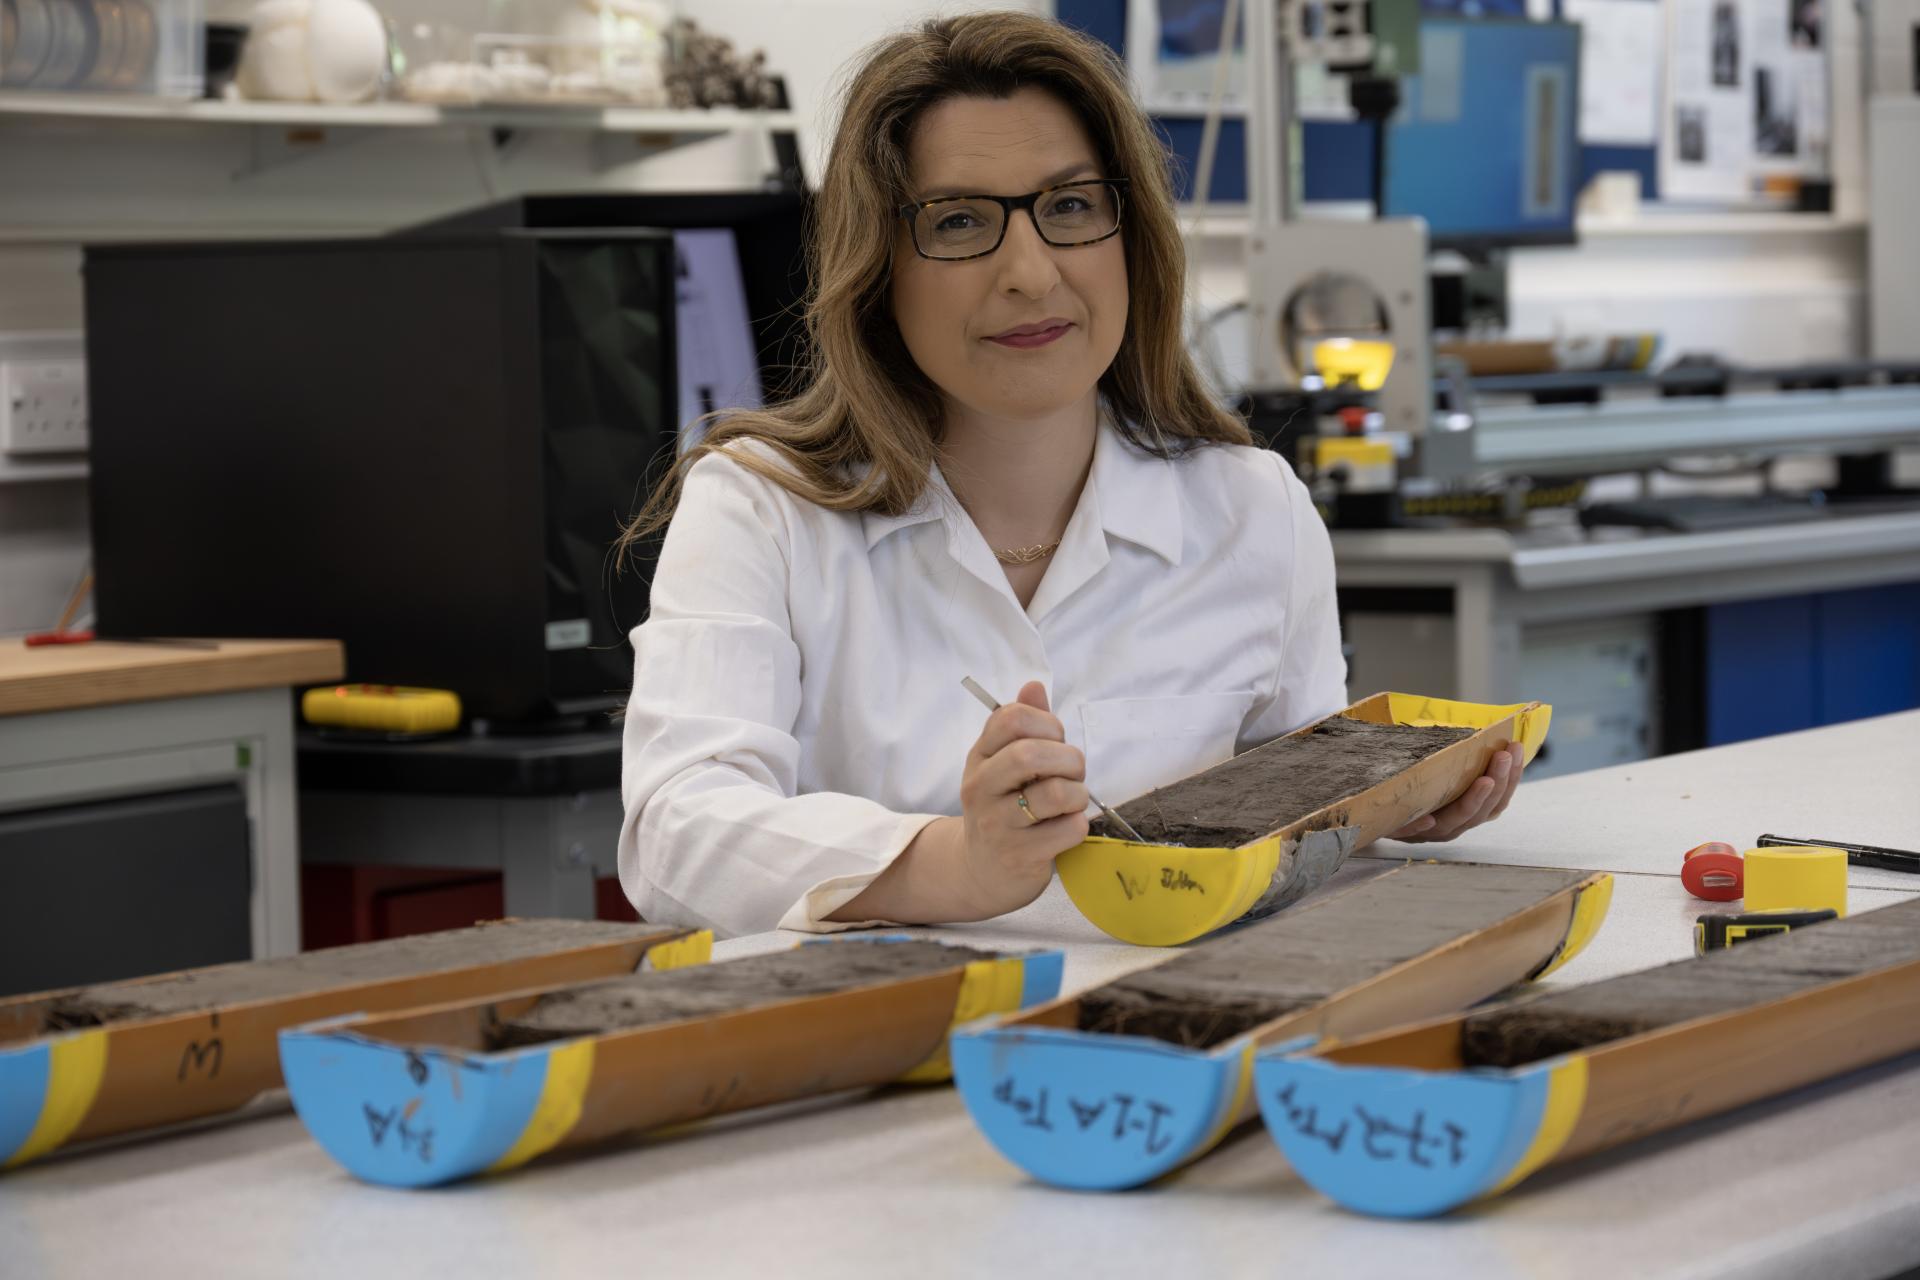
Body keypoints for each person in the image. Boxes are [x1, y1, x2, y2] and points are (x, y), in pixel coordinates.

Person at [615, 12, 1524, 938]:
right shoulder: (760, 509)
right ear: (876, 266)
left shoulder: (1255, 512)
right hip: (886, 1055)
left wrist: (1382, 812)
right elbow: (675, 835)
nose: (1031, 273)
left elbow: (1285, 829)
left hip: (1176, 1042)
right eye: (960, 220)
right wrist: (958, 864)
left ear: (1132, 238)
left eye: (1072, 206)